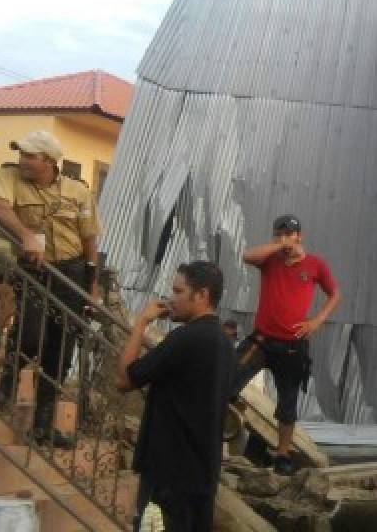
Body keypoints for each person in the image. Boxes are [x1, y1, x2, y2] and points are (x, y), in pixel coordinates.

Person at [0, 130, 101, 447]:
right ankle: (5, 392)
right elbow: (0, 208)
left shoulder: (78, 191)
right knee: (29, 334)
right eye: (22, 154)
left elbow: (89, 240)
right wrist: (26, 235)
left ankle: (43, 425)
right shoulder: (9, 175)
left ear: (49, 161)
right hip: (33, 268)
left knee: (61, 347)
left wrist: (92, 284)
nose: (23, 160)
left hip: (71, 271)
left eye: (30, 156)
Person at [116, 260, 234, 532]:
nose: (171, 299)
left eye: (179, 291)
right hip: (203, 474)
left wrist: (140, 323)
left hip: (169, 475)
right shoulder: (225, 344)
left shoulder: (185, 339)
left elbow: (124, 380)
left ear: (202, 295)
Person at [234, 214, 340, 475]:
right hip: (261, 339)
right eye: (279, 234)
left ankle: (282, 454)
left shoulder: (315, 264)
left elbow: (335, 293)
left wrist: (316, 320)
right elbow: (247, 256)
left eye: (288, 234)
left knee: (288, 402)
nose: (284, 239)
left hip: (292, 344)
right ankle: (226, 431)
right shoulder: (270, 259)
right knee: (228, 377)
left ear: (299, 236)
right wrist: (277, 247)